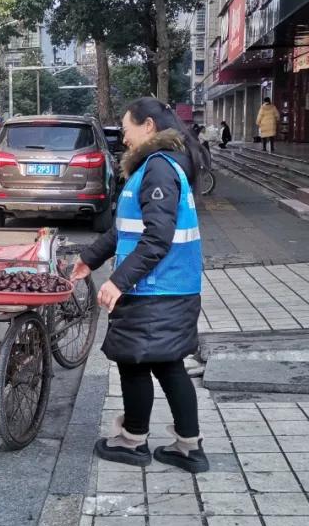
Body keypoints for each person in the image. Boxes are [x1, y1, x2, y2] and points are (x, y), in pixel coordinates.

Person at [71, 96, 208, 473]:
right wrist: (90, 259)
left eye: (126, 127)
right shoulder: (156, 165)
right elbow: (124, 230)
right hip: (170, 288)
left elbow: (157, 238)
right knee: (168, 364)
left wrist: (117, 281)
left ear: (148, 126)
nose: (123, 135)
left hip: (155, 290)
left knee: (133, 362)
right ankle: (188, 447)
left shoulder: (159, 168)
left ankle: (133, 441)